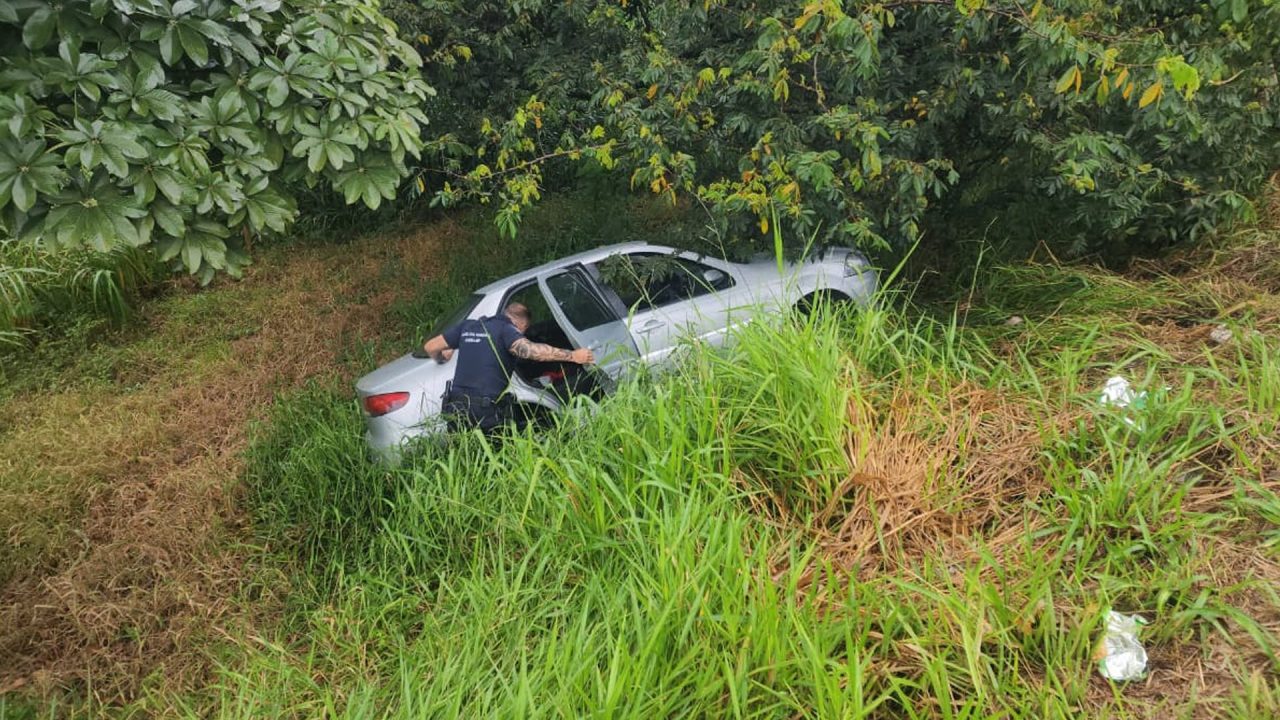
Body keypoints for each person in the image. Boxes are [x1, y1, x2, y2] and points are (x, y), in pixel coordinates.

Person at [421, 302, 595, 434]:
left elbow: (430, 347)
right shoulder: (507, 330)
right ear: (522, 325)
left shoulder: (468, 325)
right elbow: (531, 351)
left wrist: (443, 357)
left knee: (466, 461)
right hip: (485, 412)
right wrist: (573, 356)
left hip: (455, 408)